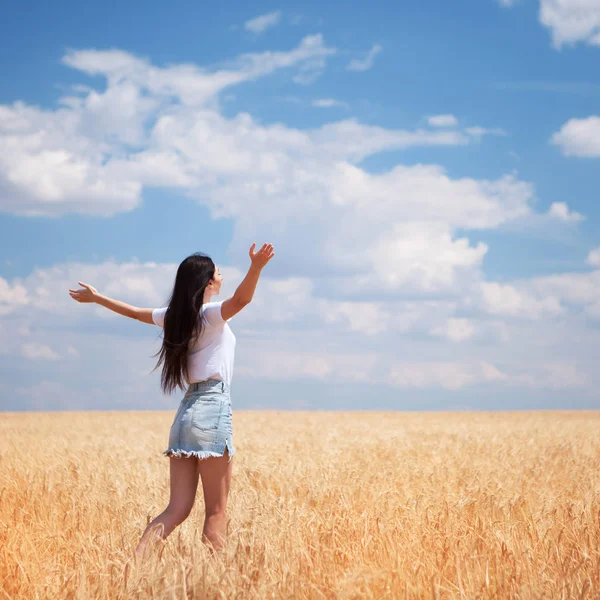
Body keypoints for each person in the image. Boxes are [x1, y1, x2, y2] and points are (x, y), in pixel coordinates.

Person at [68, 242, 275, 558]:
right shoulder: (210, 314)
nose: (221, 275)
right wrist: (257, 267)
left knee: (176, 510)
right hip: (212, 409)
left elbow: (136, 313)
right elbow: (242, 299)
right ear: (208, 282)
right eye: (218, 272)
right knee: (216, 513)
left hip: (185, 415)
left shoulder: (175, 317)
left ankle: (131, 571)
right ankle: (221, 584)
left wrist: (98, 298)